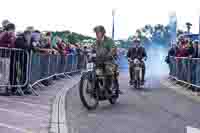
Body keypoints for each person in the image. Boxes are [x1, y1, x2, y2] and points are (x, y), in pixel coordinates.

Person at [92, 25, 122, 95]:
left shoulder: (109, 40)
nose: (96, 34)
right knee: (92, 71)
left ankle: (111, 87)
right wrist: (89, 54)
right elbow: (92, 50)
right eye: (96, 32)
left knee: (109, 70)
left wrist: (108, 55)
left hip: (109, 60)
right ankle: (94, 87)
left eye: (98, 32)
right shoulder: (96, 42)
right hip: (98, 61)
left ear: (103, 32)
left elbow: (113, 49)